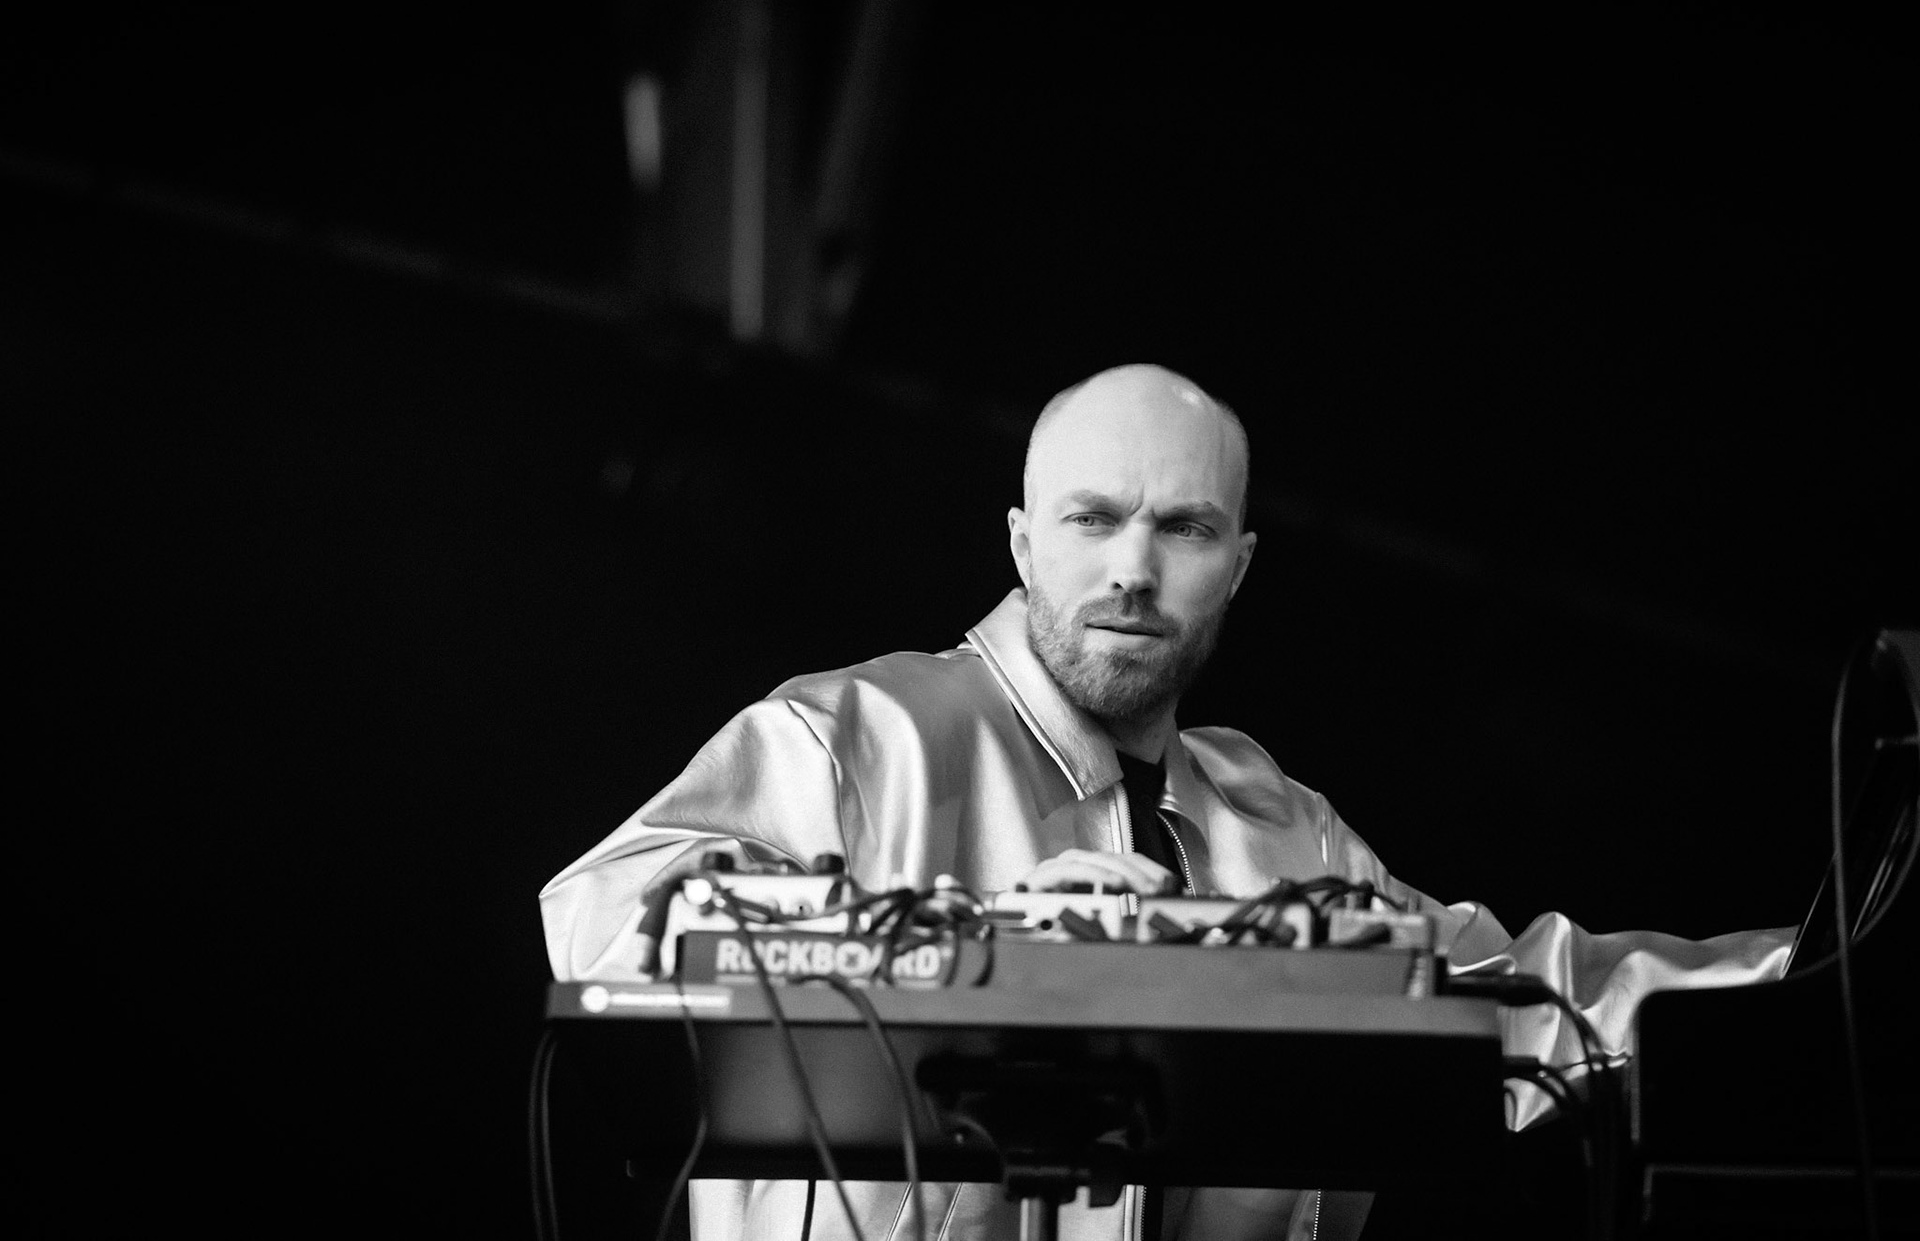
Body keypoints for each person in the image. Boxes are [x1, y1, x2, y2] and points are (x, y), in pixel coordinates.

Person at [541, 364, 1793, 1241]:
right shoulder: (847, 735)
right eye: (1094, 519)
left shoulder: (1285, 829)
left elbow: (1529, 1002)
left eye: (1184, 527)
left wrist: (1829, 961)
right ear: (1026, 542)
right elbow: (600, 910)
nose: (1134, 570)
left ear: (1240, 564)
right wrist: (975, 942)